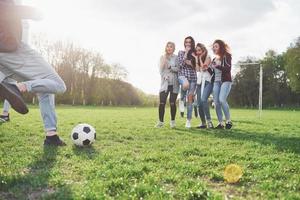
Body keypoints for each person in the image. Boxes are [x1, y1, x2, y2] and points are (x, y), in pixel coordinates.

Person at [0, 0, 67, 145]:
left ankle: (51, 135)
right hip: (14, 50)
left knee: (44, 87)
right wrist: (34, 12)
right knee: (58, 85)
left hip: (6, 56)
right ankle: (19, 87)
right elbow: (6, 8)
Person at [156, 42, 179, 128]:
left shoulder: (176, 58)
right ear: (166, 48)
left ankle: (172, 122)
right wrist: (164, 76)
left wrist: (170, 67)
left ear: (173, 48)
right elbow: (160, 70)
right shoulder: (162, 57)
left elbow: (178, 69)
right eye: (168, 46)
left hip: (174, 83)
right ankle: (160, 122)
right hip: (164, 83)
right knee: (162, 103)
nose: (169, 48)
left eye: (171, 47)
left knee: (172, 103)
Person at [211, 39, 233, 129]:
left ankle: (228, 121)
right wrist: (208, 68)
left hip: (225, 81)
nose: (214, 48)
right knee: (216, 103)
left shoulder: (227, 56)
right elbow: (213, 72)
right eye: (213, 46)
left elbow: (228, 69)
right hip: (216, 82)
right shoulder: (214, 59)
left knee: (222, 100)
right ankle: (220, 123)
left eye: (216, 46)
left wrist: (217, 66)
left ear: (221, 47)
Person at [177, 36, 197, 128]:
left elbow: (197, 67)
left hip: (193, 77)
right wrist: (186, 53)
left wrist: (192, 62)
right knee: (185, 85)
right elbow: (180, 65)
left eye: (189, 42)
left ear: (192, 43)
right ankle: (181, 100)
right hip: (183, 75)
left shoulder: (195, 53)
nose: (188, 44)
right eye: (186, 42)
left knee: (190, 100)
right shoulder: (181, 52)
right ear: (184, 43)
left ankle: (188, 120)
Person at [193, 43, 214, 129]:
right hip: (200, 82)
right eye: (197, 51)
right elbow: (198, 69)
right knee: (199, 104)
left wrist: (200, 59)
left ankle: (209, 122)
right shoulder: (198, 58)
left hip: (208, 82)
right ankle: (203, 123)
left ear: (203, 50)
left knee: (204, 100)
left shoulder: (208, 57)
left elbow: (204, 68)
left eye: (199, 50)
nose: (198, 52)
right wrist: (196, 59)